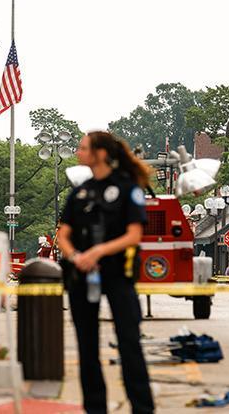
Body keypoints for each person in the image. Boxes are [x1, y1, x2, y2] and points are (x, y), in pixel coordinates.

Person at [56, 130, 155, 414]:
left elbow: (134, 235)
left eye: (83, 147)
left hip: (117, 274)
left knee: (129, 343)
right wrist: (76, 256)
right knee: (87, 348)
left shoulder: (127, 188)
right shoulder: (80, 192)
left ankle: (142, 408)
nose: (78, 152)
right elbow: (63, 234)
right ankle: (95, 408)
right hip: (82, 275)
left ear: (100, 153)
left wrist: (99, 251)